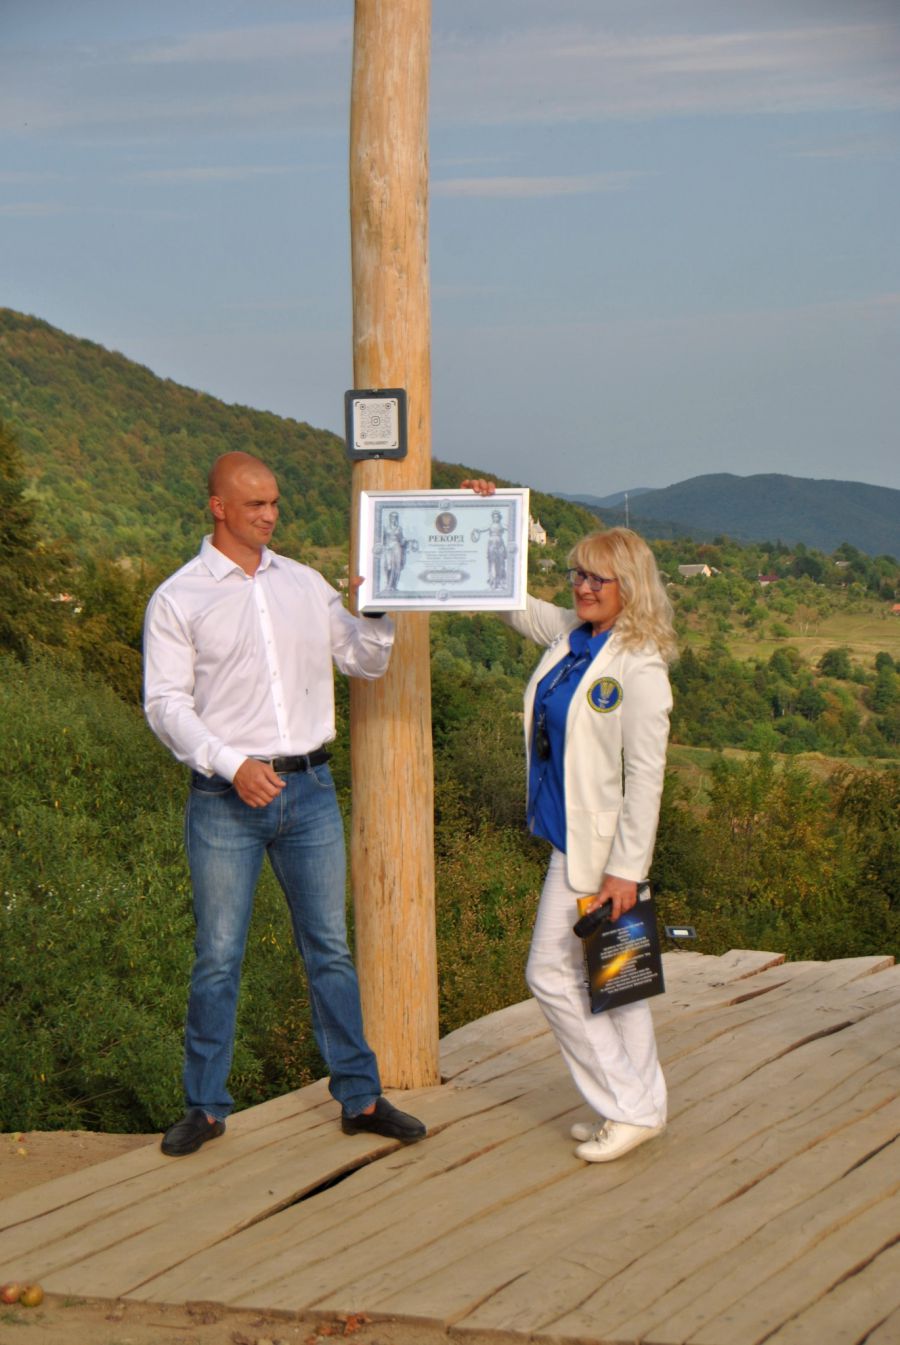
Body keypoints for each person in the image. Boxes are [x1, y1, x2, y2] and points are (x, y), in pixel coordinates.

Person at [143, 451, 425, 1156]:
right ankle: (205, 1108)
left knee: (329, 949)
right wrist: (232, 764)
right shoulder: (178, 598)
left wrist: (375, 610)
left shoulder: (304, 583)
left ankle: (360, 1098)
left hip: (311, 791)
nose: (270, 515)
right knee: (218, 956)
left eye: (274, 503)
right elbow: (165, 705)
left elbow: (365, 661)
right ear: (218, 507)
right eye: (255, 504)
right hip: (224, 797)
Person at [463, 478, 676, 1163]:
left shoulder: (640, 667)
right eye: (578, 574)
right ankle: (645, 1107)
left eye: (597, 578)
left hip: (600, 853)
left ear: (629, 587)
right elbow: (507, 601)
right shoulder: (571, 636)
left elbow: (647, 779)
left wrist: (626, 870)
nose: (583, 587)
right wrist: (486, 520)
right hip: (567, 837)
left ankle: (624, 1106)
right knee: (617, 979)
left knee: (549, 974)